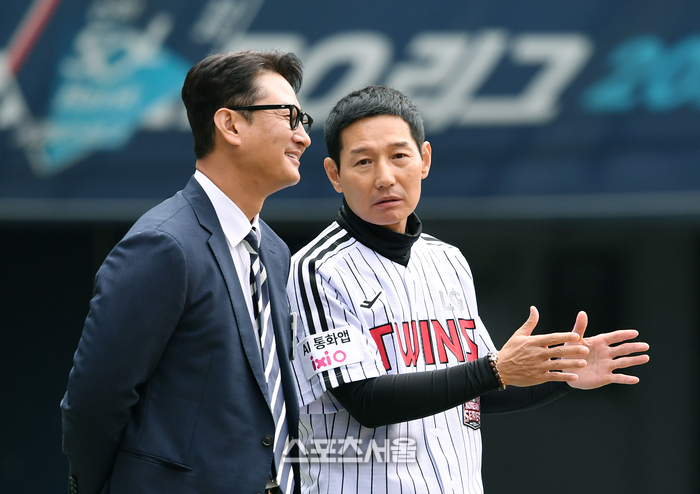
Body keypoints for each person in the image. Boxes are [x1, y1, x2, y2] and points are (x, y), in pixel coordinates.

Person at [287, 85, 650, 494]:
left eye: (399, 156)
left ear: (424, 160)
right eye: (363, 161)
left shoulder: (448, 260)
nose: (385, 177)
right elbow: (365, 401)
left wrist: (558, 376)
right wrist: (494, 370)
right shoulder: (317, 268)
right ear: (335, 174)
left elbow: (478, 392)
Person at [60, 50, 313, 494]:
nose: (303, 137)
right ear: (230, 125)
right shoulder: (164, 245)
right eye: (288, 117)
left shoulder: (273, 251)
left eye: (303, 120)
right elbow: (94, 401)